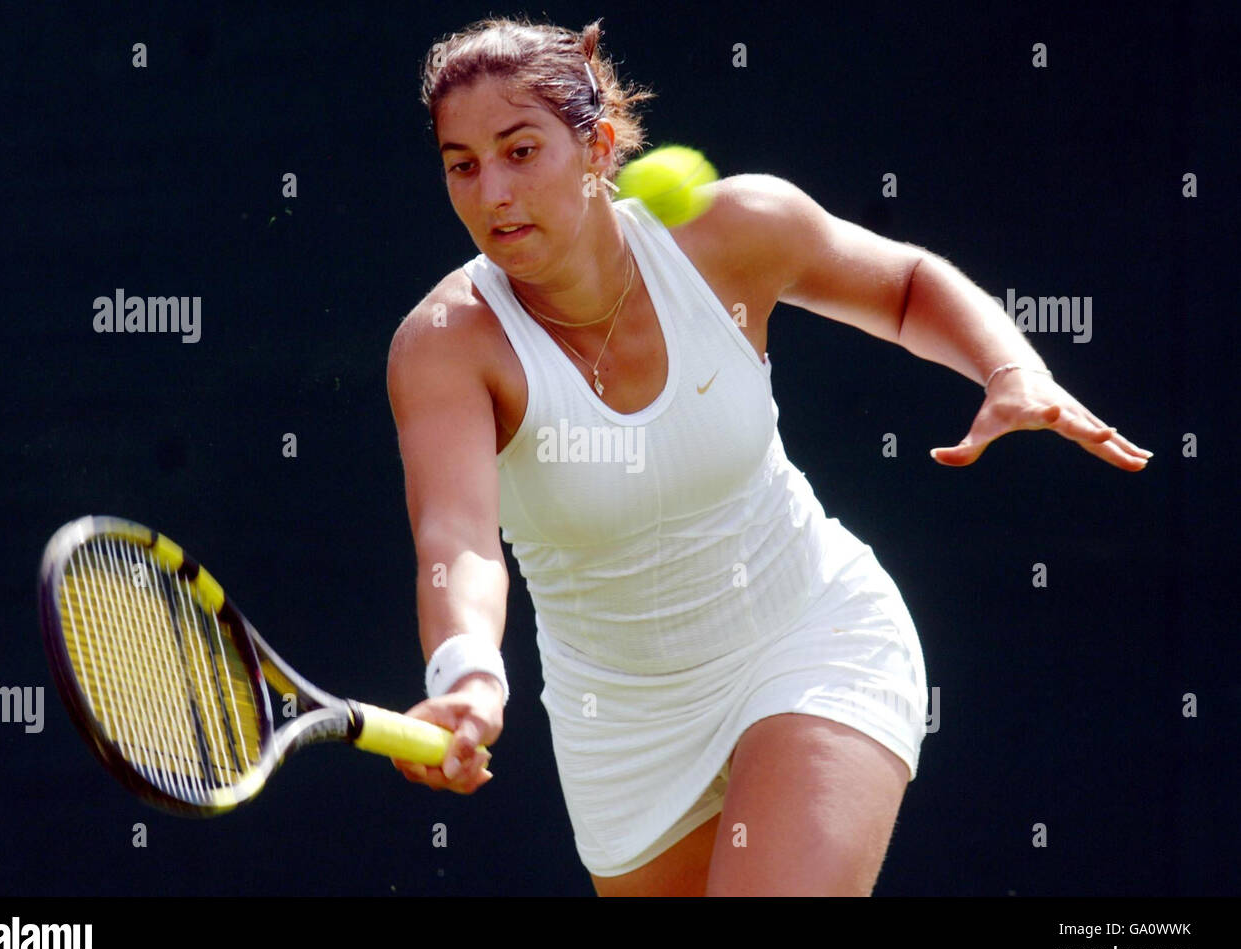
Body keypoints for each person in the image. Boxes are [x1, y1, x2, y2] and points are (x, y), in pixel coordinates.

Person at [385, 16, 1152, 897]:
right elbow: (459, 539)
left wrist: (1010, 367)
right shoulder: (446, 342)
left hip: (810, 638)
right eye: (463, 164)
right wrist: (468, 674)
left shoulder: (732, 232)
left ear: (597, 146)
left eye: (521, 151)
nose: (492, 194)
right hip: (624, 728)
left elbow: (902, 287)